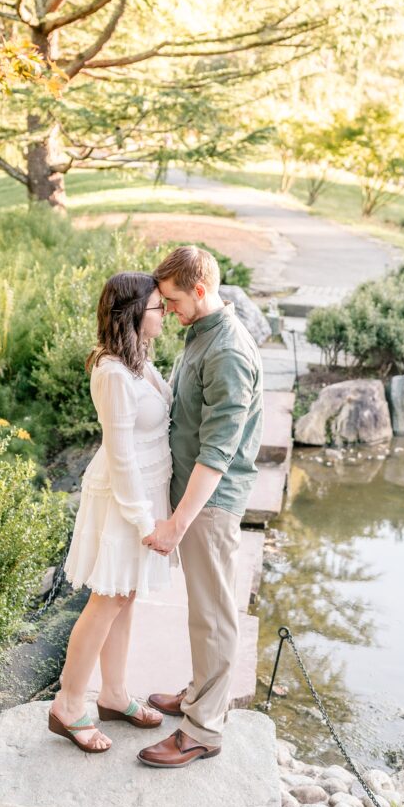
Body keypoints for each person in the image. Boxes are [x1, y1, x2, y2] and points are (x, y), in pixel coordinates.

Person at [137, 246, 263, 768]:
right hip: (194, 493)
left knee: (213, 616)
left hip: (209, 503)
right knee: (202, 611)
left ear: (201, 291)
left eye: (171, 301)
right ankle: (198, 696)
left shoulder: (228, 352)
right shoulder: (202, 333)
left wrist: (175, 523)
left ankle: (204, 729)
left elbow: (218, 451)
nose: (166, 311)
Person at [48, 272, 175, 753]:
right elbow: (120, 455)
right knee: (106, 600)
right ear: (134, 311)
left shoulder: (138, 360)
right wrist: (145, 521)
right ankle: (69, 701)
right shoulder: (111, 372)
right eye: (158, 306)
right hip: (124, 498)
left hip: (145, 491)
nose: (164, 314)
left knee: (126, 595)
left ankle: (115, 693)